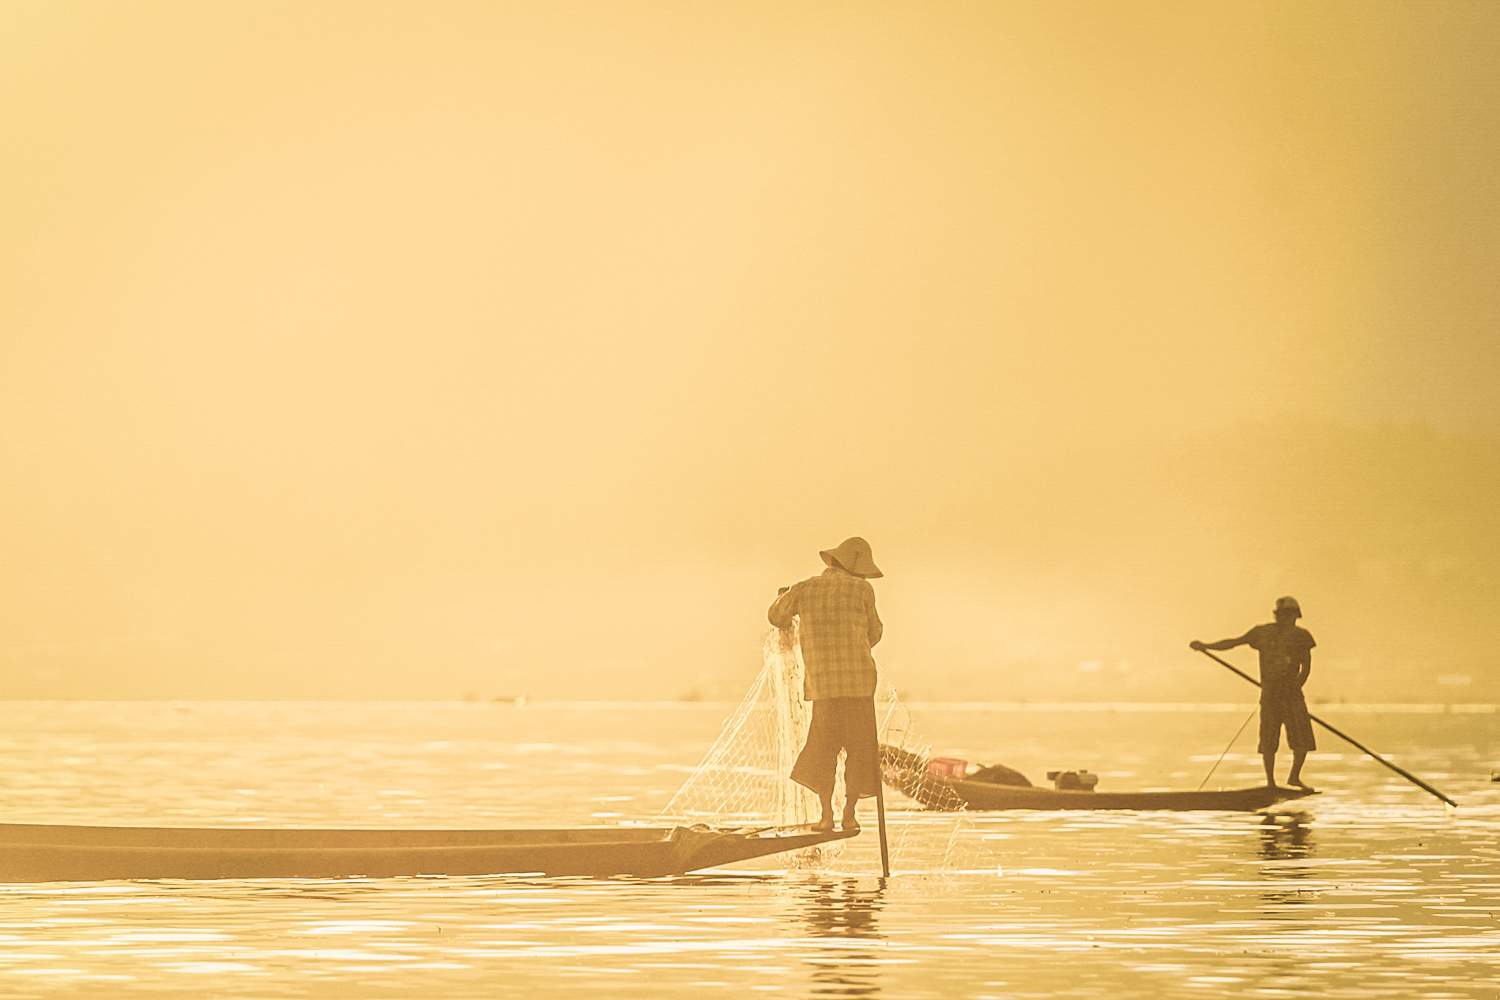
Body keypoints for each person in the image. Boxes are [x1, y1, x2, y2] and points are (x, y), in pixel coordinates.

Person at [768, 536, 884, 833]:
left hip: (824, 688)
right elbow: (874, 633)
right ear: (855, 569)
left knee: (823, 750)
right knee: (860, 751)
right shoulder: (862, 589)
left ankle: (826, 817)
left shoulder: (805, 588)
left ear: (833, 561)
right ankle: (849, 814)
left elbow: (776, 615)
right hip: (859, 687)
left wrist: (785, 597)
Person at [1191, 596, 1316, 789]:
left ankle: (1294, 777)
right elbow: (1233, 642)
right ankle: (1271, 782)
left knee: (1302, 741)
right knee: (1268, 741)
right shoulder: (1262, 633)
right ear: (1277, 615)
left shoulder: (1302, 636)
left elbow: (1306, 667)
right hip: (1270, 697)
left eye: (1290, 616)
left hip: (1292, 697)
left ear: (1295, 616)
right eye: (1283, 615)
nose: (1287, 619)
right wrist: (1206, 646)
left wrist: (1295, 688)